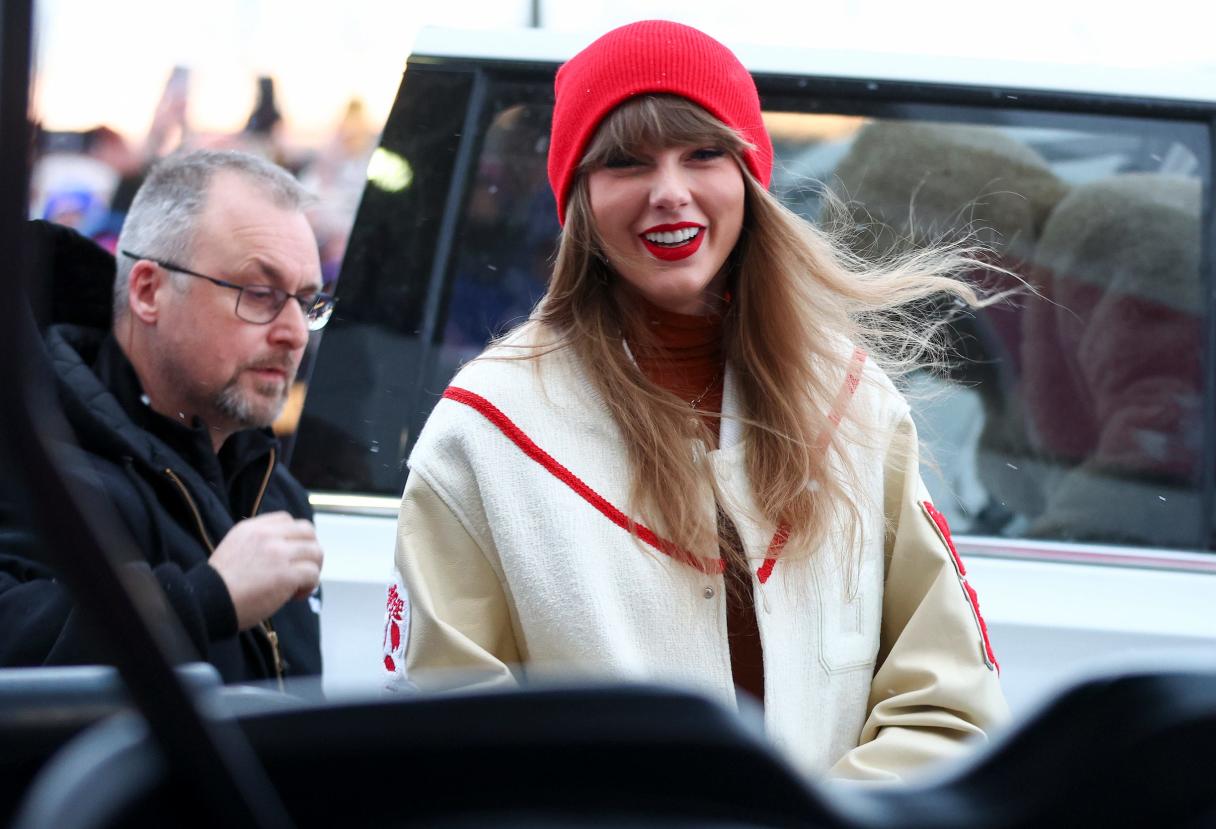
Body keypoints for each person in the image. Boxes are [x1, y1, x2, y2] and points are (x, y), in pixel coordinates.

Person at [385, 20, 1007, 781]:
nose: (669, 191)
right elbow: (448, 741)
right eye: (625, 161)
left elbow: (949, 703)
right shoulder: (483, 433)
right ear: (578, 197)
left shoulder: (852, 402)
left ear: (747, 175)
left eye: (703, 152)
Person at [0, 149, 335, 685]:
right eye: (260, 294)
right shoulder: (37, 463)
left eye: (308, 301)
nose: (294, 332)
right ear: (149, 291)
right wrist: (204, 600)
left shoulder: (273, 485)